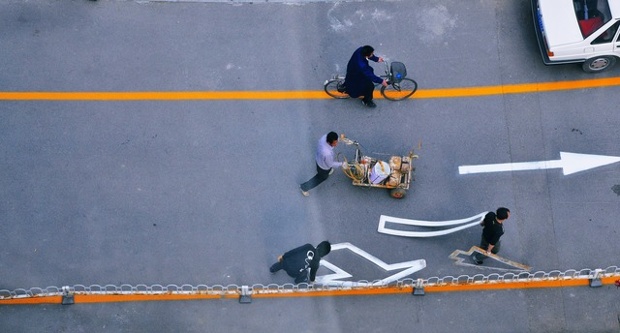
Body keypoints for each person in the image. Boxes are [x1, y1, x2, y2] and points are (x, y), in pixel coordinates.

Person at [299, 132, 345, 196]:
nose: (336, 144)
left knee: (328, 170)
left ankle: (329, 171)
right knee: (320, 178)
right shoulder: (327, 153)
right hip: (323, 167)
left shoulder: (325, 137)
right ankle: (304, 187)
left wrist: (339, 139)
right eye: (335, 143)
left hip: (319, 159)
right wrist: (342, 164)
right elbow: (330, 164)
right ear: (329, 143)